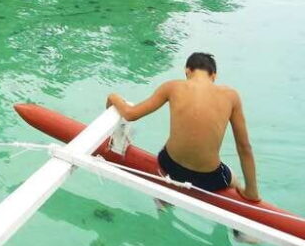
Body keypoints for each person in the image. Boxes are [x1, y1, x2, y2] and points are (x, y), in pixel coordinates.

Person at [106, 52, 260, 201]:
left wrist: (113, 97)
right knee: (233, 178)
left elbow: (131, 114)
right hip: (208, 178)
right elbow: (244, 147)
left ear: (187, 71)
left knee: (171, 146)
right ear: (214, 75)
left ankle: (164, 201)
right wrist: (251, 192)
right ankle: (244, 197)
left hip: (169, 166)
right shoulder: (231, 96)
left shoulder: (172, 87)